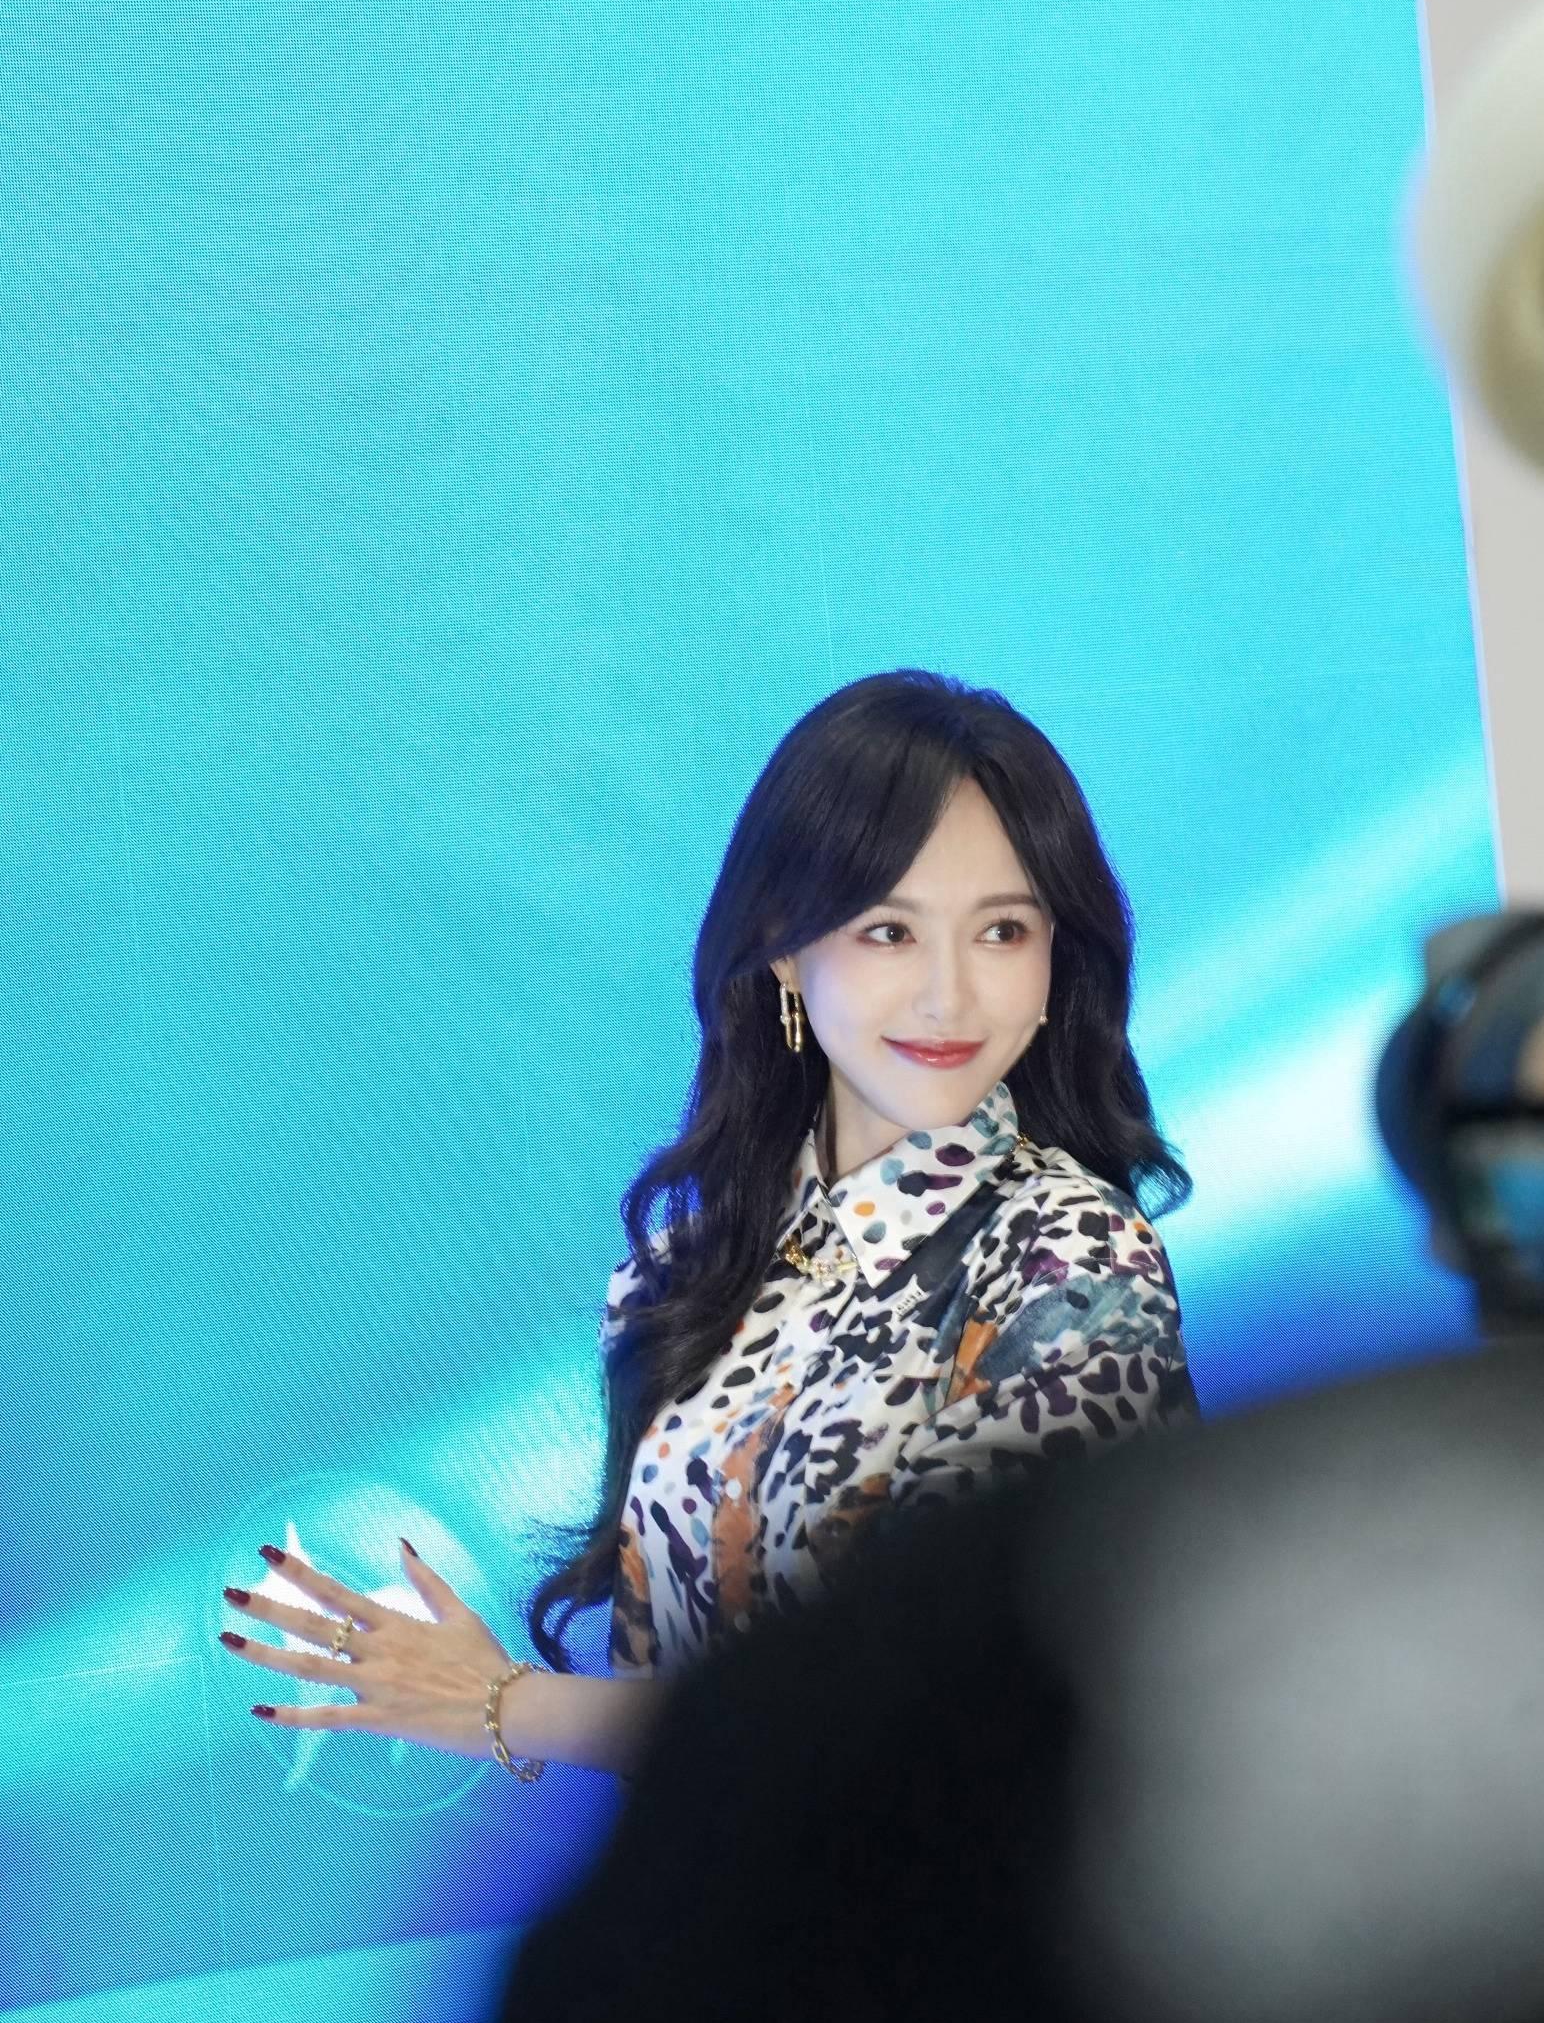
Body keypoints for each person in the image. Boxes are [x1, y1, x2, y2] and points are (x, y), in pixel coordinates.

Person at [216, 669, 1196, 1777]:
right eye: (888, 931)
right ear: (782, 946)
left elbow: (936, 1712)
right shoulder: (684, 1269)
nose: (948, 995)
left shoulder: (1069, 1258)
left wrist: (506, 1704)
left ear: (1055, 958)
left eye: (1002, 931)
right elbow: (678, 1702)